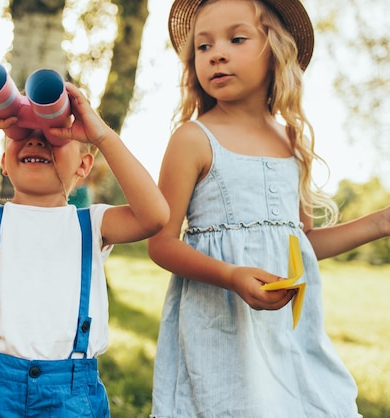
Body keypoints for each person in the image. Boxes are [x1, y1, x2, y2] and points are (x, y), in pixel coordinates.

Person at [148, 0, 390, 417]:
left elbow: (301, 243)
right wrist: (231, 274)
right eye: (203, 47)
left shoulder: (292, 142)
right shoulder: (193, 139)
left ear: (275, 49)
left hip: (287, 329)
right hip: (219, 327)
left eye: (236, 39)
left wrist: (381, 222)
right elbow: (162, 243)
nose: (217, 53)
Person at [0, 78, 169, 416]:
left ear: (84, 165)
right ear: (4, 163)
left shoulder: (93, 224)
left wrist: (101, 135)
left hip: (69, 394)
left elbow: (155, 216)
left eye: (54, 135)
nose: (37, 140)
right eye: (22, 134)